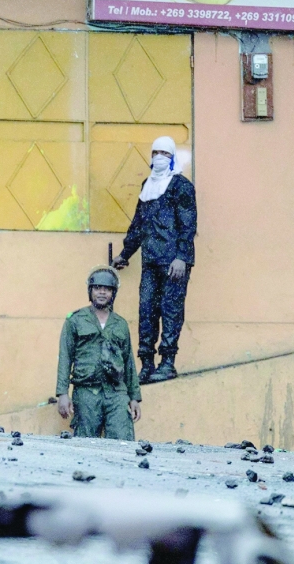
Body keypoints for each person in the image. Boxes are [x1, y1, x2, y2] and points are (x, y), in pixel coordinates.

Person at [112, 136, 197, 384]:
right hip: (150, 260)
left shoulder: (181, 186)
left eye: (164, 153)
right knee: (147, 310)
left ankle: (167, 363)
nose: (159, 157)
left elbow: (188, 224)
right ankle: (147, 364)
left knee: (170, 310)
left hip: (173, 263)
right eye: (155, 152)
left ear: (172, 158)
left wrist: (181, 257)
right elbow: (138, 224)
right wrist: (125, 254)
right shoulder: (147, 185)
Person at [55, 266, 142, 440]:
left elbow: (128, 361)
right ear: (90, 291)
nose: (102, 293)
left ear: (113, 293)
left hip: (116, 393)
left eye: (107, 289)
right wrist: (62, 393)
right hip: (86, 391)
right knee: (86, 444)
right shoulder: (75, 320)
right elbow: (65, 357)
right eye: (97, 288)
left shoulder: (120, 324)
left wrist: (134, 398)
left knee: (122, 441)